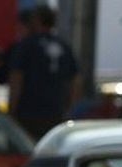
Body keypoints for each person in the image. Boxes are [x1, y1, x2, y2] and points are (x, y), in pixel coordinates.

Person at [5, 6, 77, 138]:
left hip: (28, 114)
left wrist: (11, 111)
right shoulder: (64, 47)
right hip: (56, 114)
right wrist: (68, 109)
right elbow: (75, 81)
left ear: (37, 20)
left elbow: (16, 79)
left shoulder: (26, 45)